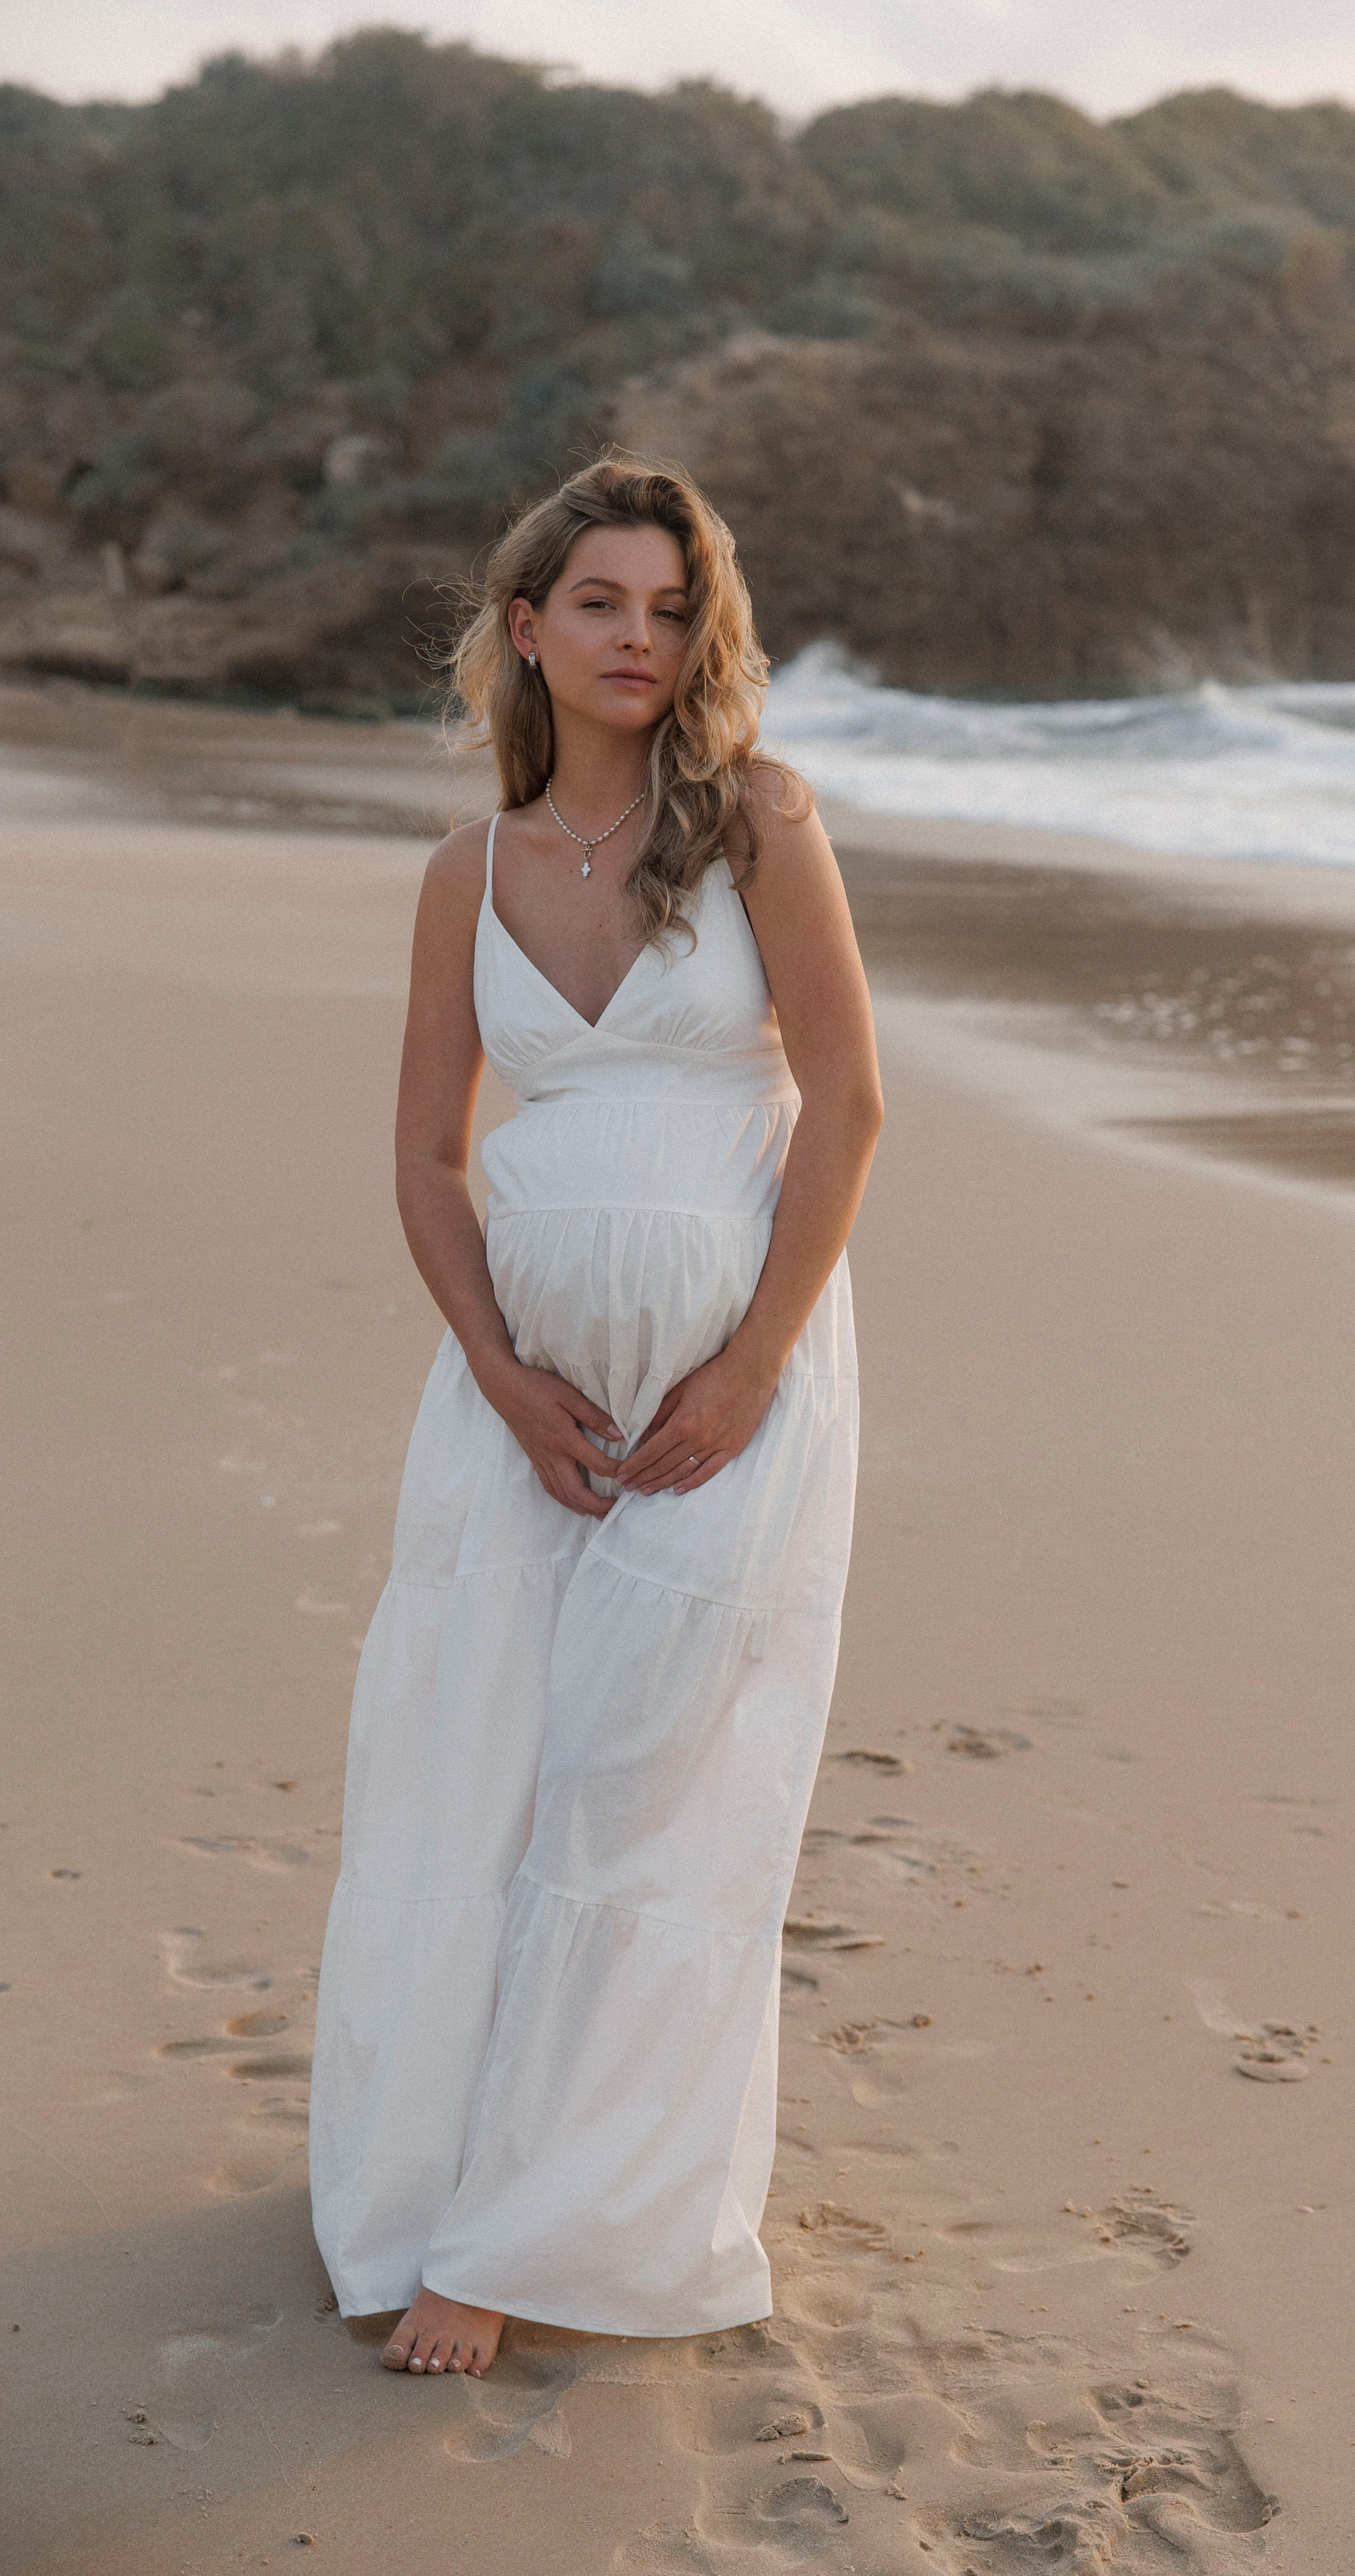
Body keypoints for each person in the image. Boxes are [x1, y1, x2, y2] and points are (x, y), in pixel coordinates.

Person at [307, 453, 881, 2379]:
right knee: (478, 1767)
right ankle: (451, 2166)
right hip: (519, 1410)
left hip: (733, 1389)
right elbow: (423, 1153)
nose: (639, 638)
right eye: (602, 603)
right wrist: (497, 1371)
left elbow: (851, 1108)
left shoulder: (760, 827)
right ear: (526, 628)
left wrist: (750, 1364)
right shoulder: (461, 874)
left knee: (640, 1778)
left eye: (670, 607)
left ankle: (514, 2235)